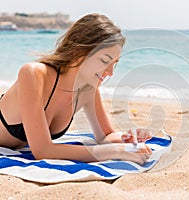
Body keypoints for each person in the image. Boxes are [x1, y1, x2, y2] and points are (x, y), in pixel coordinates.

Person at [0, 13, 152, 165]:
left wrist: (128, 140)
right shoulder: (33, 74)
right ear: (79, 51)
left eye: (114, 63)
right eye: (105, 60)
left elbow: (105, 136)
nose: (110, 72)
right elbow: (42, 151)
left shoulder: (88, 89)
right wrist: (117, 151)